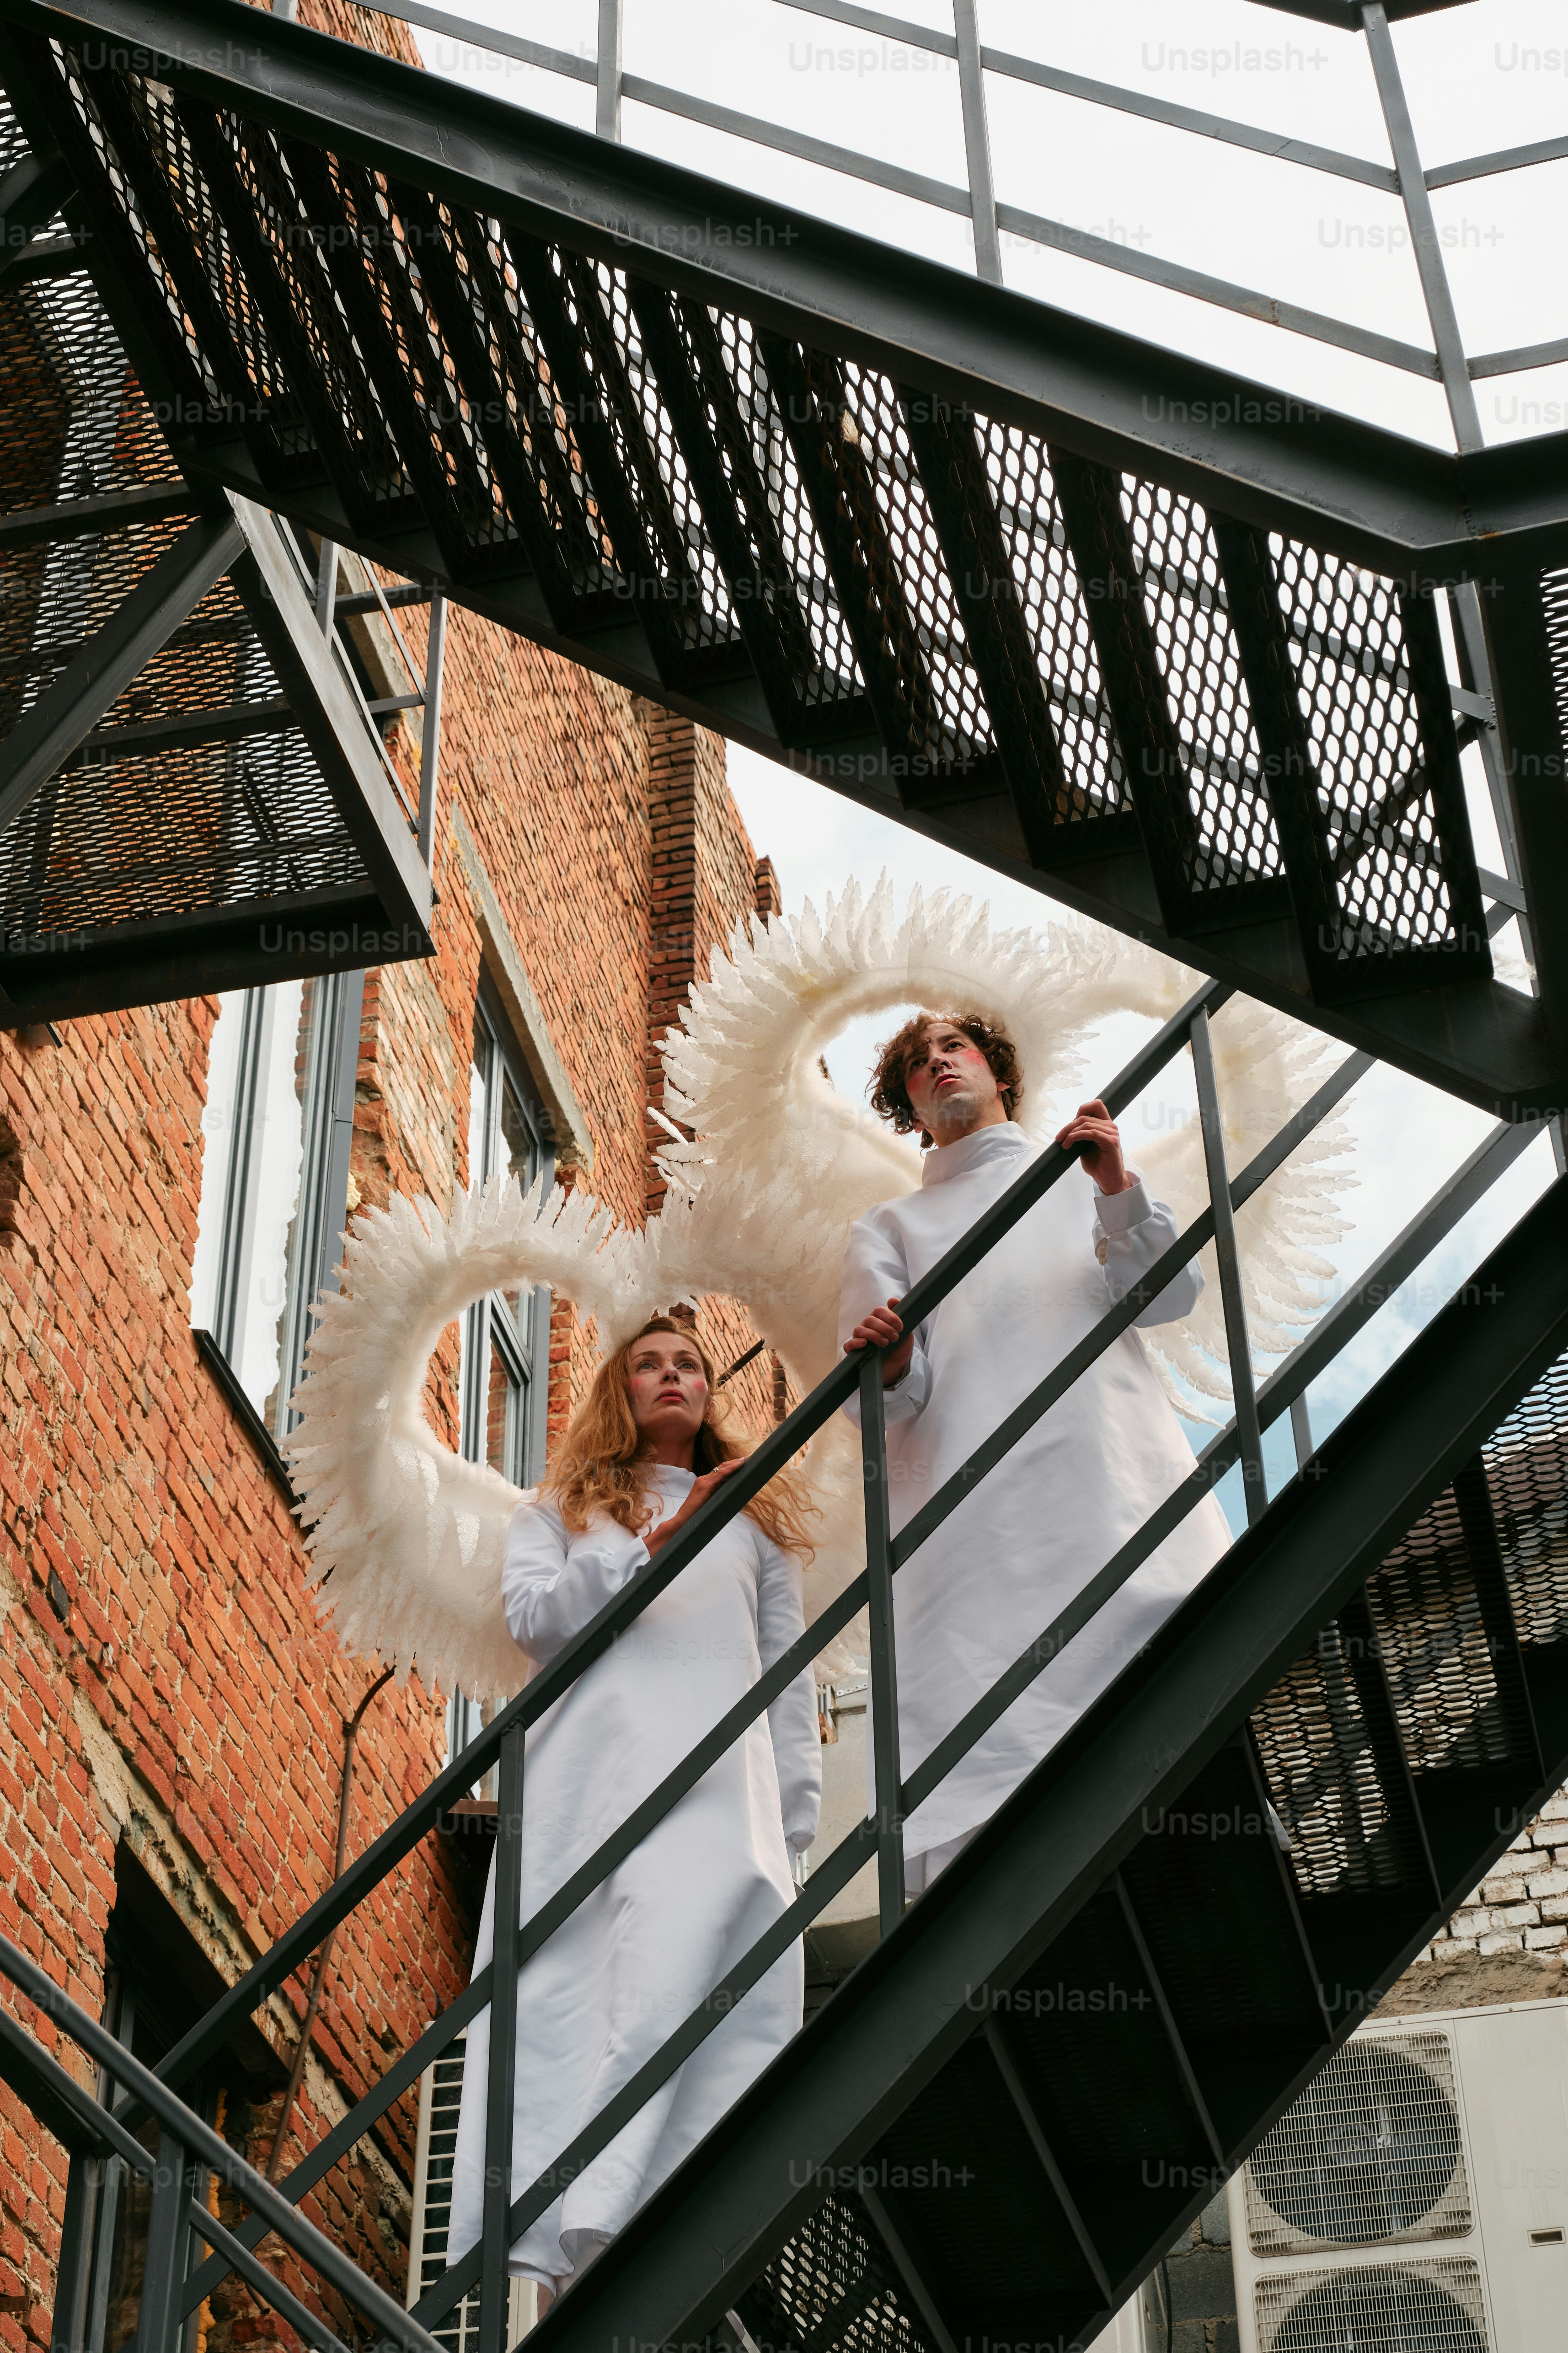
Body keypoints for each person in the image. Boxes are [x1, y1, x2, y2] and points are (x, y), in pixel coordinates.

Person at [446, 1317, 820, 2305]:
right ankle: (578, 2250)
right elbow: (538, 1626)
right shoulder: (561, 1510)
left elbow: (786, 1682)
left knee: (686, 1983)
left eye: (688, 1364)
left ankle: (637, 2222)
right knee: (579, 1999)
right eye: (649, 1364)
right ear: (620, 1389)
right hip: (592, 1786)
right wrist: (655, 1540)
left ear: (708, 1392)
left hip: (716, 1790)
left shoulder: (756, 1527)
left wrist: (794, 1832)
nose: (671, 1376)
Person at [838, 1013, 1232, 1895]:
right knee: (995, 1692)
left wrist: (1113, 1181)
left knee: (1152, 1643)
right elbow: (882, 1407)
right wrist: (892, 1361)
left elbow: (1167, 1297)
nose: (936, 1064)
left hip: (1104, 1459)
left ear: (998, 1070)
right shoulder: (888, 1227)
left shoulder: (1073, 1171)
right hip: (975, 1500)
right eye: (913, 1066)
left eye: (953, 1048)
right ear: (907, 1109)